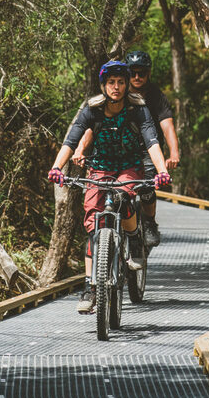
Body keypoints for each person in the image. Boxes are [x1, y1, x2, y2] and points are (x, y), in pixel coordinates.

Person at [47, 60, 172, 314]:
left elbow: (151, 142)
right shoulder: (92, 110)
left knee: (124, 198)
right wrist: (56, 168)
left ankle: (134, 241)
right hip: (100, 168)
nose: (116, 87)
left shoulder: (139, 109)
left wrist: (162, 171)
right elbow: (71, 140)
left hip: (129, 167)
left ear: (127, 85)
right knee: (93, 223)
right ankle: (91, 288)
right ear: (104, 85)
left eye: (121, 82)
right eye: (111, 82)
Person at [72, 49, 179, 248]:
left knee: (146, 184)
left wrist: (173, 154)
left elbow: (167, 125)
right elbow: (92, 126)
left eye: (142, 73)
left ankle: (148, 224)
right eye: (133, 73)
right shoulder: (115, 91)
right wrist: (80, 150)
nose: (137, 77)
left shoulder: (155, 96)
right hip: (111, 151)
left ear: (149, 74)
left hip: (146, 148)